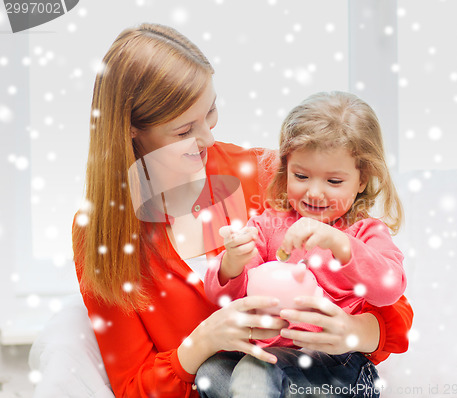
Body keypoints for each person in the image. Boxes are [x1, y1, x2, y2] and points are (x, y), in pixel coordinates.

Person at [72, 23, 413, 398]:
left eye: (211, 112)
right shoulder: (100, 234)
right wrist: (201, 342)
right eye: (184, 130)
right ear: (132, 129)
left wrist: (354, 330)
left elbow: (391, 304)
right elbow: (135, 387)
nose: (208, 138)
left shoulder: (264, 174)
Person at [203, 91, 407, 397]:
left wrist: (342, 245)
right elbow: (224, 294)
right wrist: (232, 263)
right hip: (273, 363)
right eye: (301, 175)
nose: (314, 192)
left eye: (333, 181)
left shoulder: (364, 232)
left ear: (361, 180)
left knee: (254, 372)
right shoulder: (267, 224)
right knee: (211, 371)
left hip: (340, 368)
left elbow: (390, 288)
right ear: (287, 169)